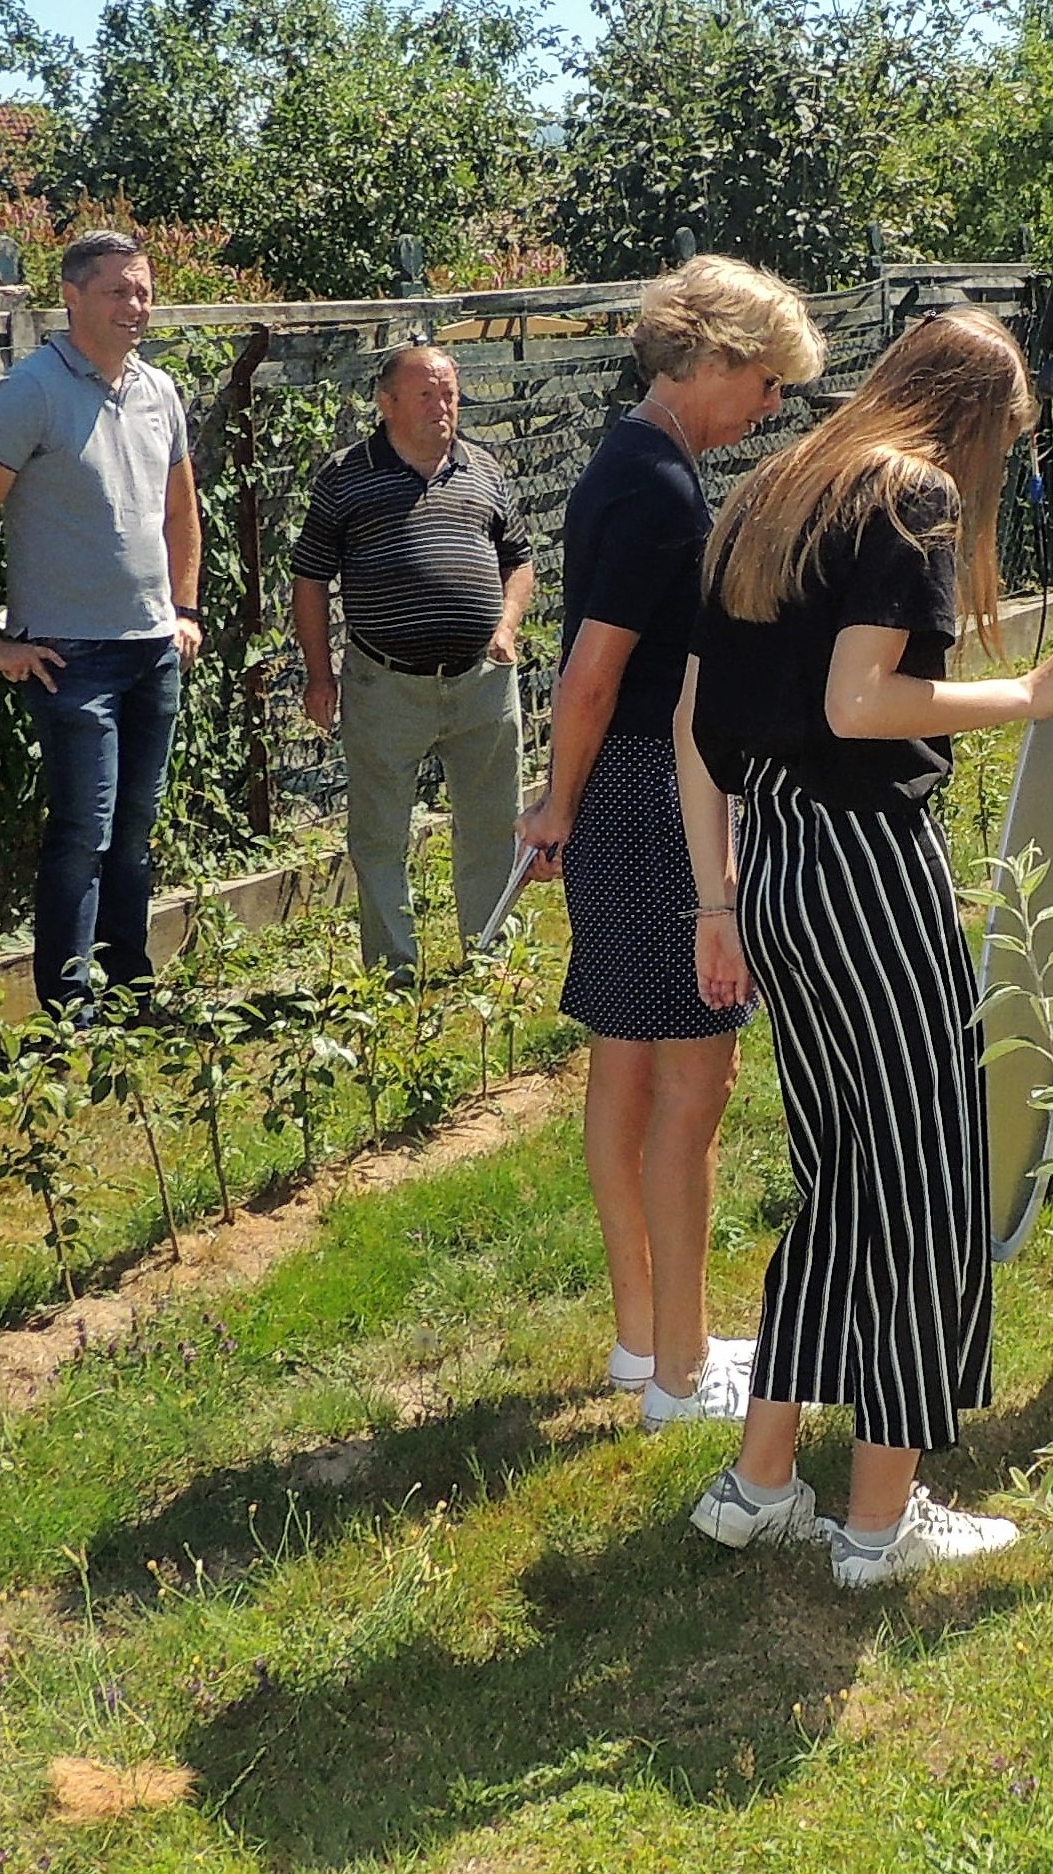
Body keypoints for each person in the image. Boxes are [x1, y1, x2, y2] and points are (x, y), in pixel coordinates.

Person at [673, 304, 1053, 1586]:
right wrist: (1031, 695)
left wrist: (717, 903)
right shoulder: (908, 491)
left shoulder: (772, 486)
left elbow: (700, 726)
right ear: (977, 420)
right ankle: (878, 1523)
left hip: (772, 862)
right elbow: (859, 704)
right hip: (863, 862)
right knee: (927, 1185)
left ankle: (759, 1484)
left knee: (846, 1179)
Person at [515, 257, 826, 1424]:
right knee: (693, 1081)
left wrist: (564, 805)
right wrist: (558, 803)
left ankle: (645, 1347)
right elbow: (592, 676)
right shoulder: (658, 489)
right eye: (763, 380)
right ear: (710, 359)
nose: (770, 406)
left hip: (624, 796)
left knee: (629, 1067)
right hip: (651, 797)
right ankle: (684, 1368)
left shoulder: (628, 461)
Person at [0, 228, 204, 1015]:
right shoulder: (31, 393)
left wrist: (184, 611)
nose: (136, 306)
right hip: (70, 656)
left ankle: (129, 990)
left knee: (133, 834)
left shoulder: (157, 391)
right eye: (118, 290)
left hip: (152, 650)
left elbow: (181, 511)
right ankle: (68, 1011)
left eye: (144, 290)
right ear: (73, 296)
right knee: (82, 836)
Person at [288, 339, 535, 980]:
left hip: (482, 680)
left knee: (490, 823)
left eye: (449, 392)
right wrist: (320, 676)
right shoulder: (346, 476)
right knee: (380, 832)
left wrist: (506, 625)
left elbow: (520, 560)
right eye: (425, 392)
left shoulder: (483, 469)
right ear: (387, 402)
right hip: (385, 682)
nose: (442, 404)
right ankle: (391, 968)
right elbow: (310, 579)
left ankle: (488, 956)